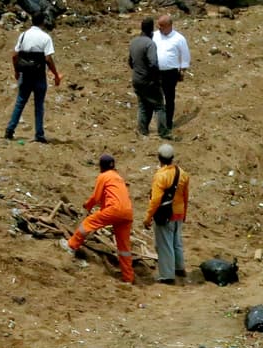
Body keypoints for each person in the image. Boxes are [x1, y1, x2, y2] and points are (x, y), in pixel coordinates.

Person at [63, 154, 135, 283]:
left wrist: (87, 206)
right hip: (127, 213)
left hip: (114, 210)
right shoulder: (118, 178)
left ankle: (71, 245)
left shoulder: (103, 176)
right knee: (124, 247)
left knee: (88, 223)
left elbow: (96, 198)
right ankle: (128, 277)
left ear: (101, 166)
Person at [5, 11, 62, 143]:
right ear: (43, 22)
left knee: (20, 102)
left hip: (25, 74)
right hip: (39, 75)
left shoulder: (24, 35)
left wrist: (17, 71)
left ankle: (10, 130)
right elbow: (48, 58)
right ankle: (39, 134)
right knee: (39, 105)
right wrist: (56, 74)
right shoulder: (45, 38)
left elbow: (14, 55)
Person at [143, 143, 191, 284]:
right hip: (179, 213)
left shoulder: (161, 176)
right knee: (176, 242)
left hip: (165, 215)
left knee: (164, 245)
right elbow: (185, 195)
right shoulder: (182, 173)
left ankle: (167, 275)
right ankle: (179, 268)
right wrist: (184, 214)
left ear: (159, 158)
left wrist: (148, 218)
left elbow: (155, 200)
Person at [129, 17, 166, 138]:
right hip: (148, 81)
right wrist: (156, 79)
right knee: (159, 106)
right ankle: (163, 132)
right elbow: (153, 63)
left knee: (143, 105)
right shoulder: (150, 44)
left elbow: (130, 62)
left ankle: (142, 131)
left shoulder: (133, 42)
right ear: (151, 30)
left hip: (136, 79)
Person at [154, 14, 190, 137]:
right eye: (158, 25)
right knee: (157, 98)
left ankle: (168, 123)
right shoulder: (155, 36)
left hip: (170, 72)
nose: (159, 28)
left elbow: (185, 55)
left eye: (162, 26)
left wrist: (183, 70)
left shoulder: (179, 38)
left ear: (169, 25)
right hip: (156, 72)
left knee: (169, 98)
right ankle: (158, 123)